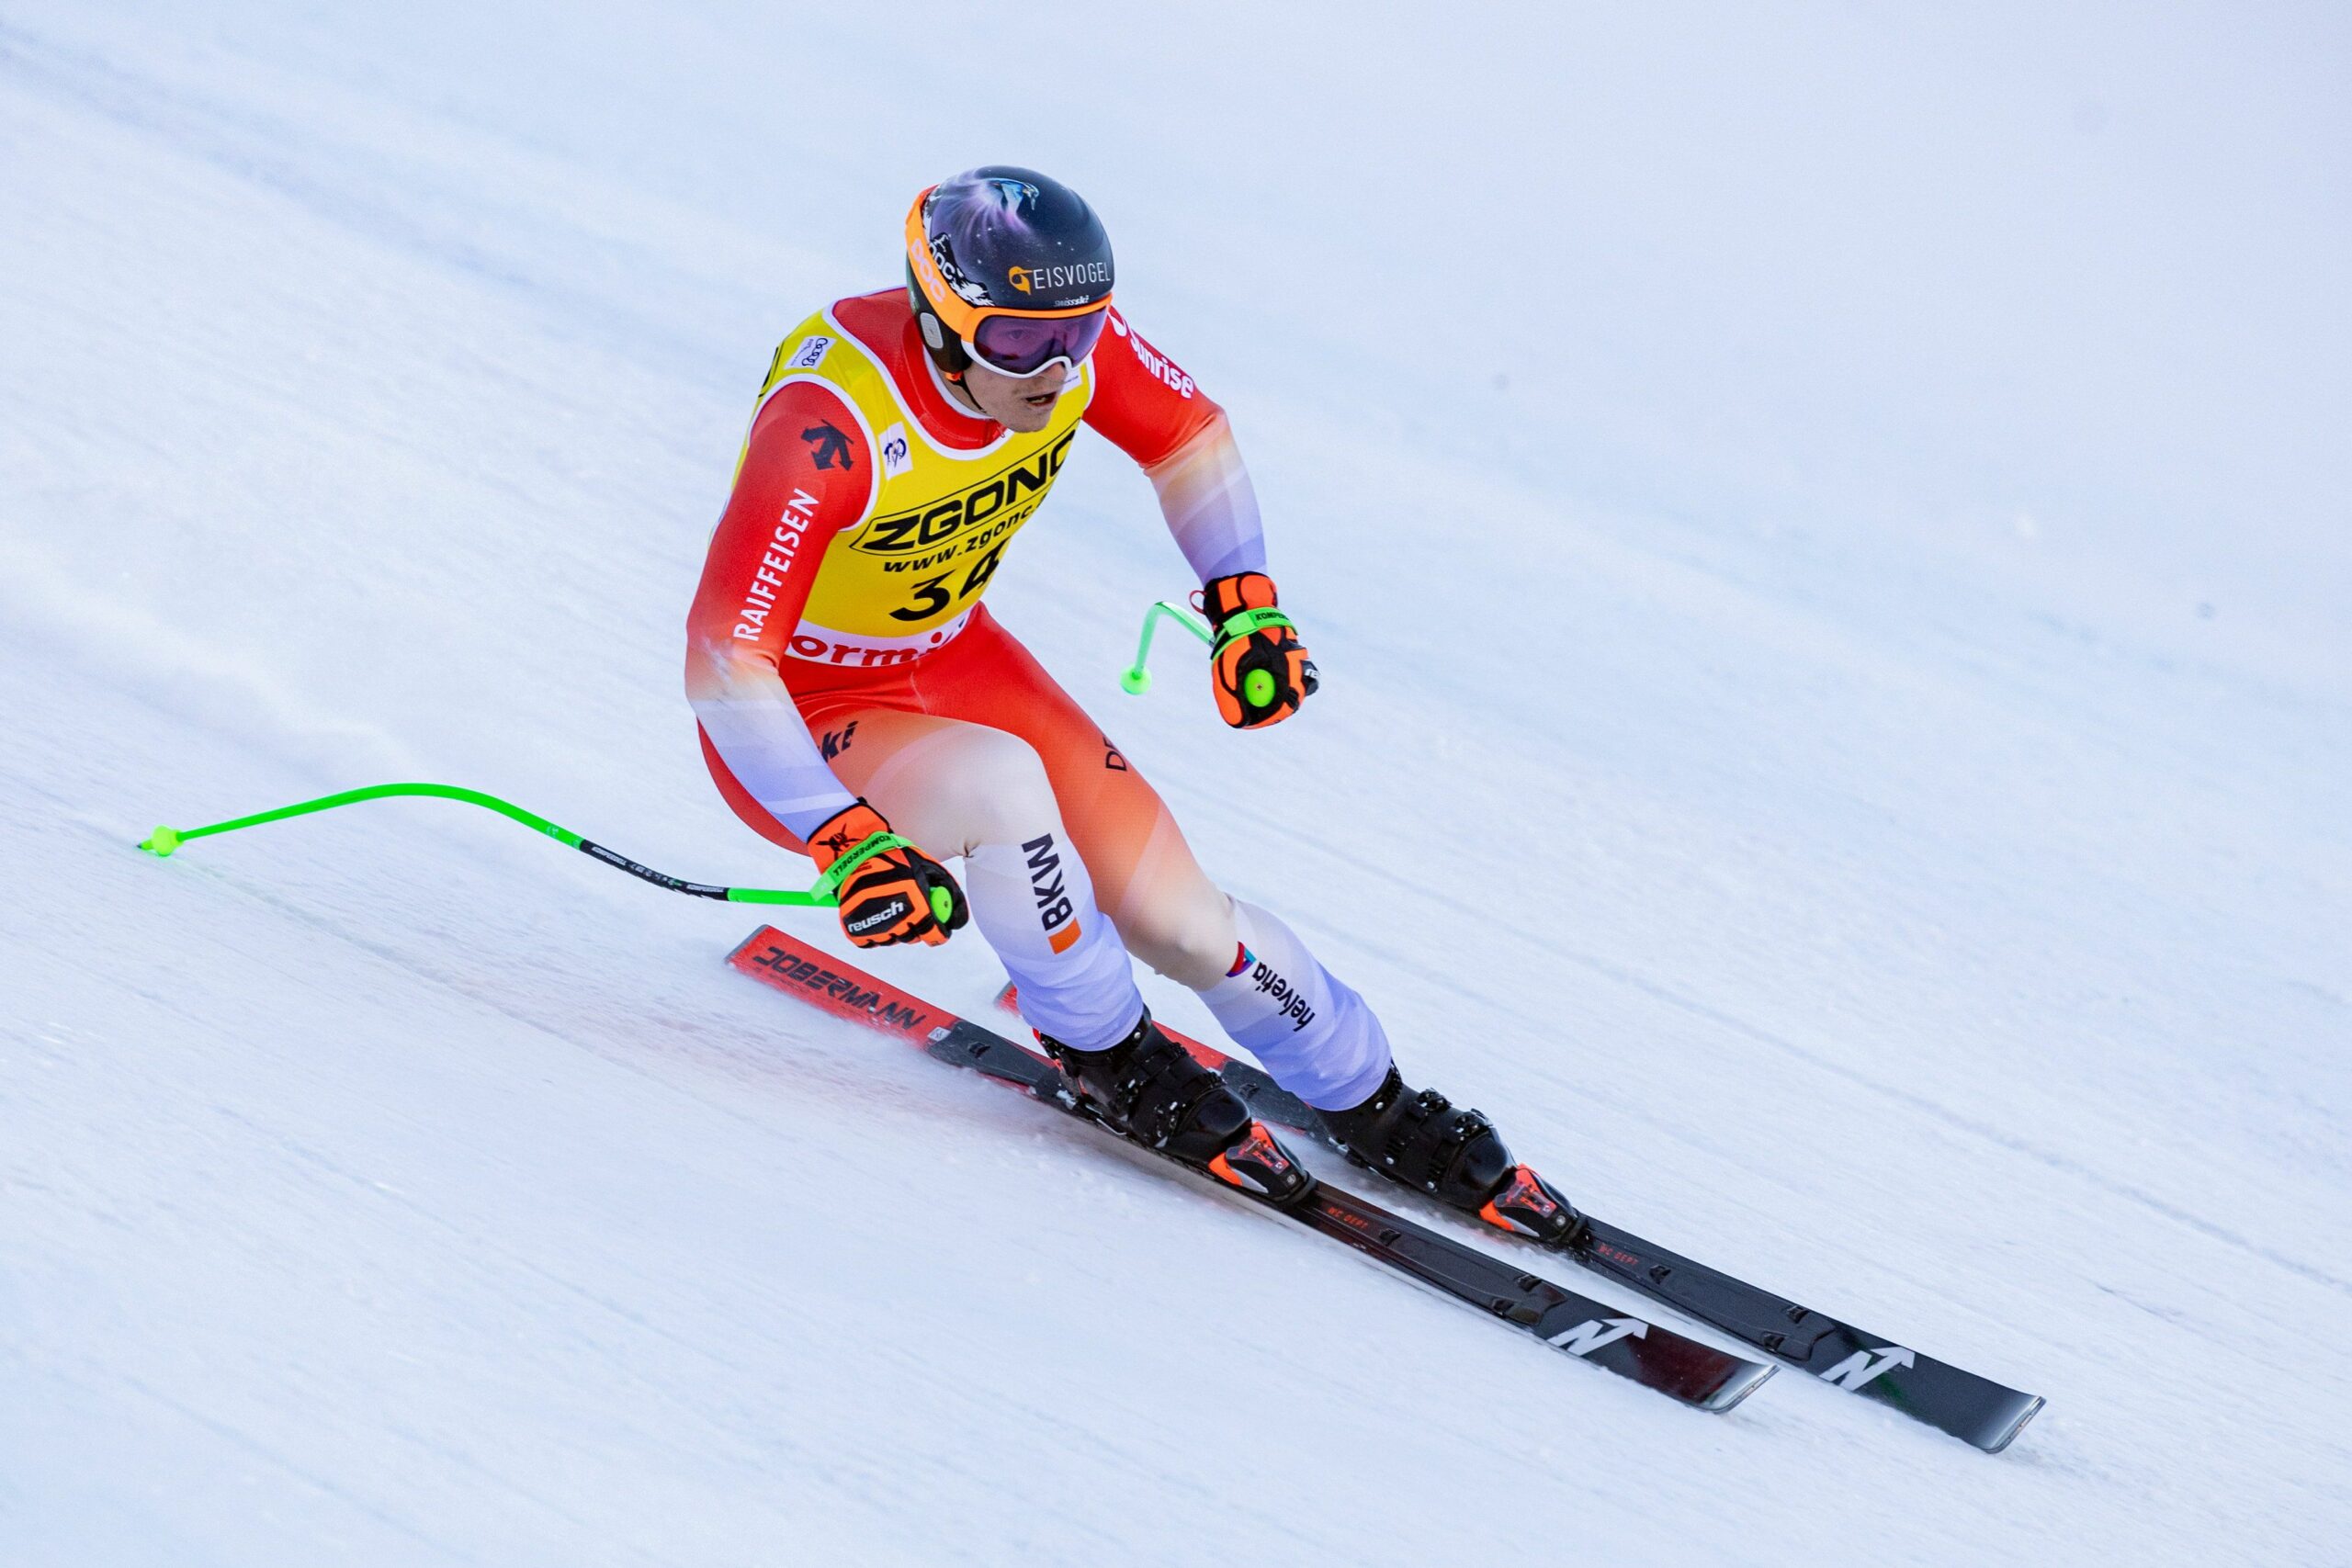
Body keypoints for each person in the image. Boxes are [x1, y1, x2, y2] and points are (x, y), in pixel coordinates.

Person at [684, 166, 1577, 1238]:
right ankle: (1108, 1051)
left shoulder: (1060, 348)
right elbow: (724, 656)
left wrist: (1243, 605)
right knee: (1004, 791)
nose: (1053, 371)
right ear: (938, 316)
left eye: (1077, 334)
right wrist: (844, 838)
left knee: (1188, 926)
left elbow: (1188, 433)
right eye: (1016, 343)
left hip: (953, 658)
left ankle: (1374, 1098)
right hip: (796, 712)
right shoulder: (832, 423)